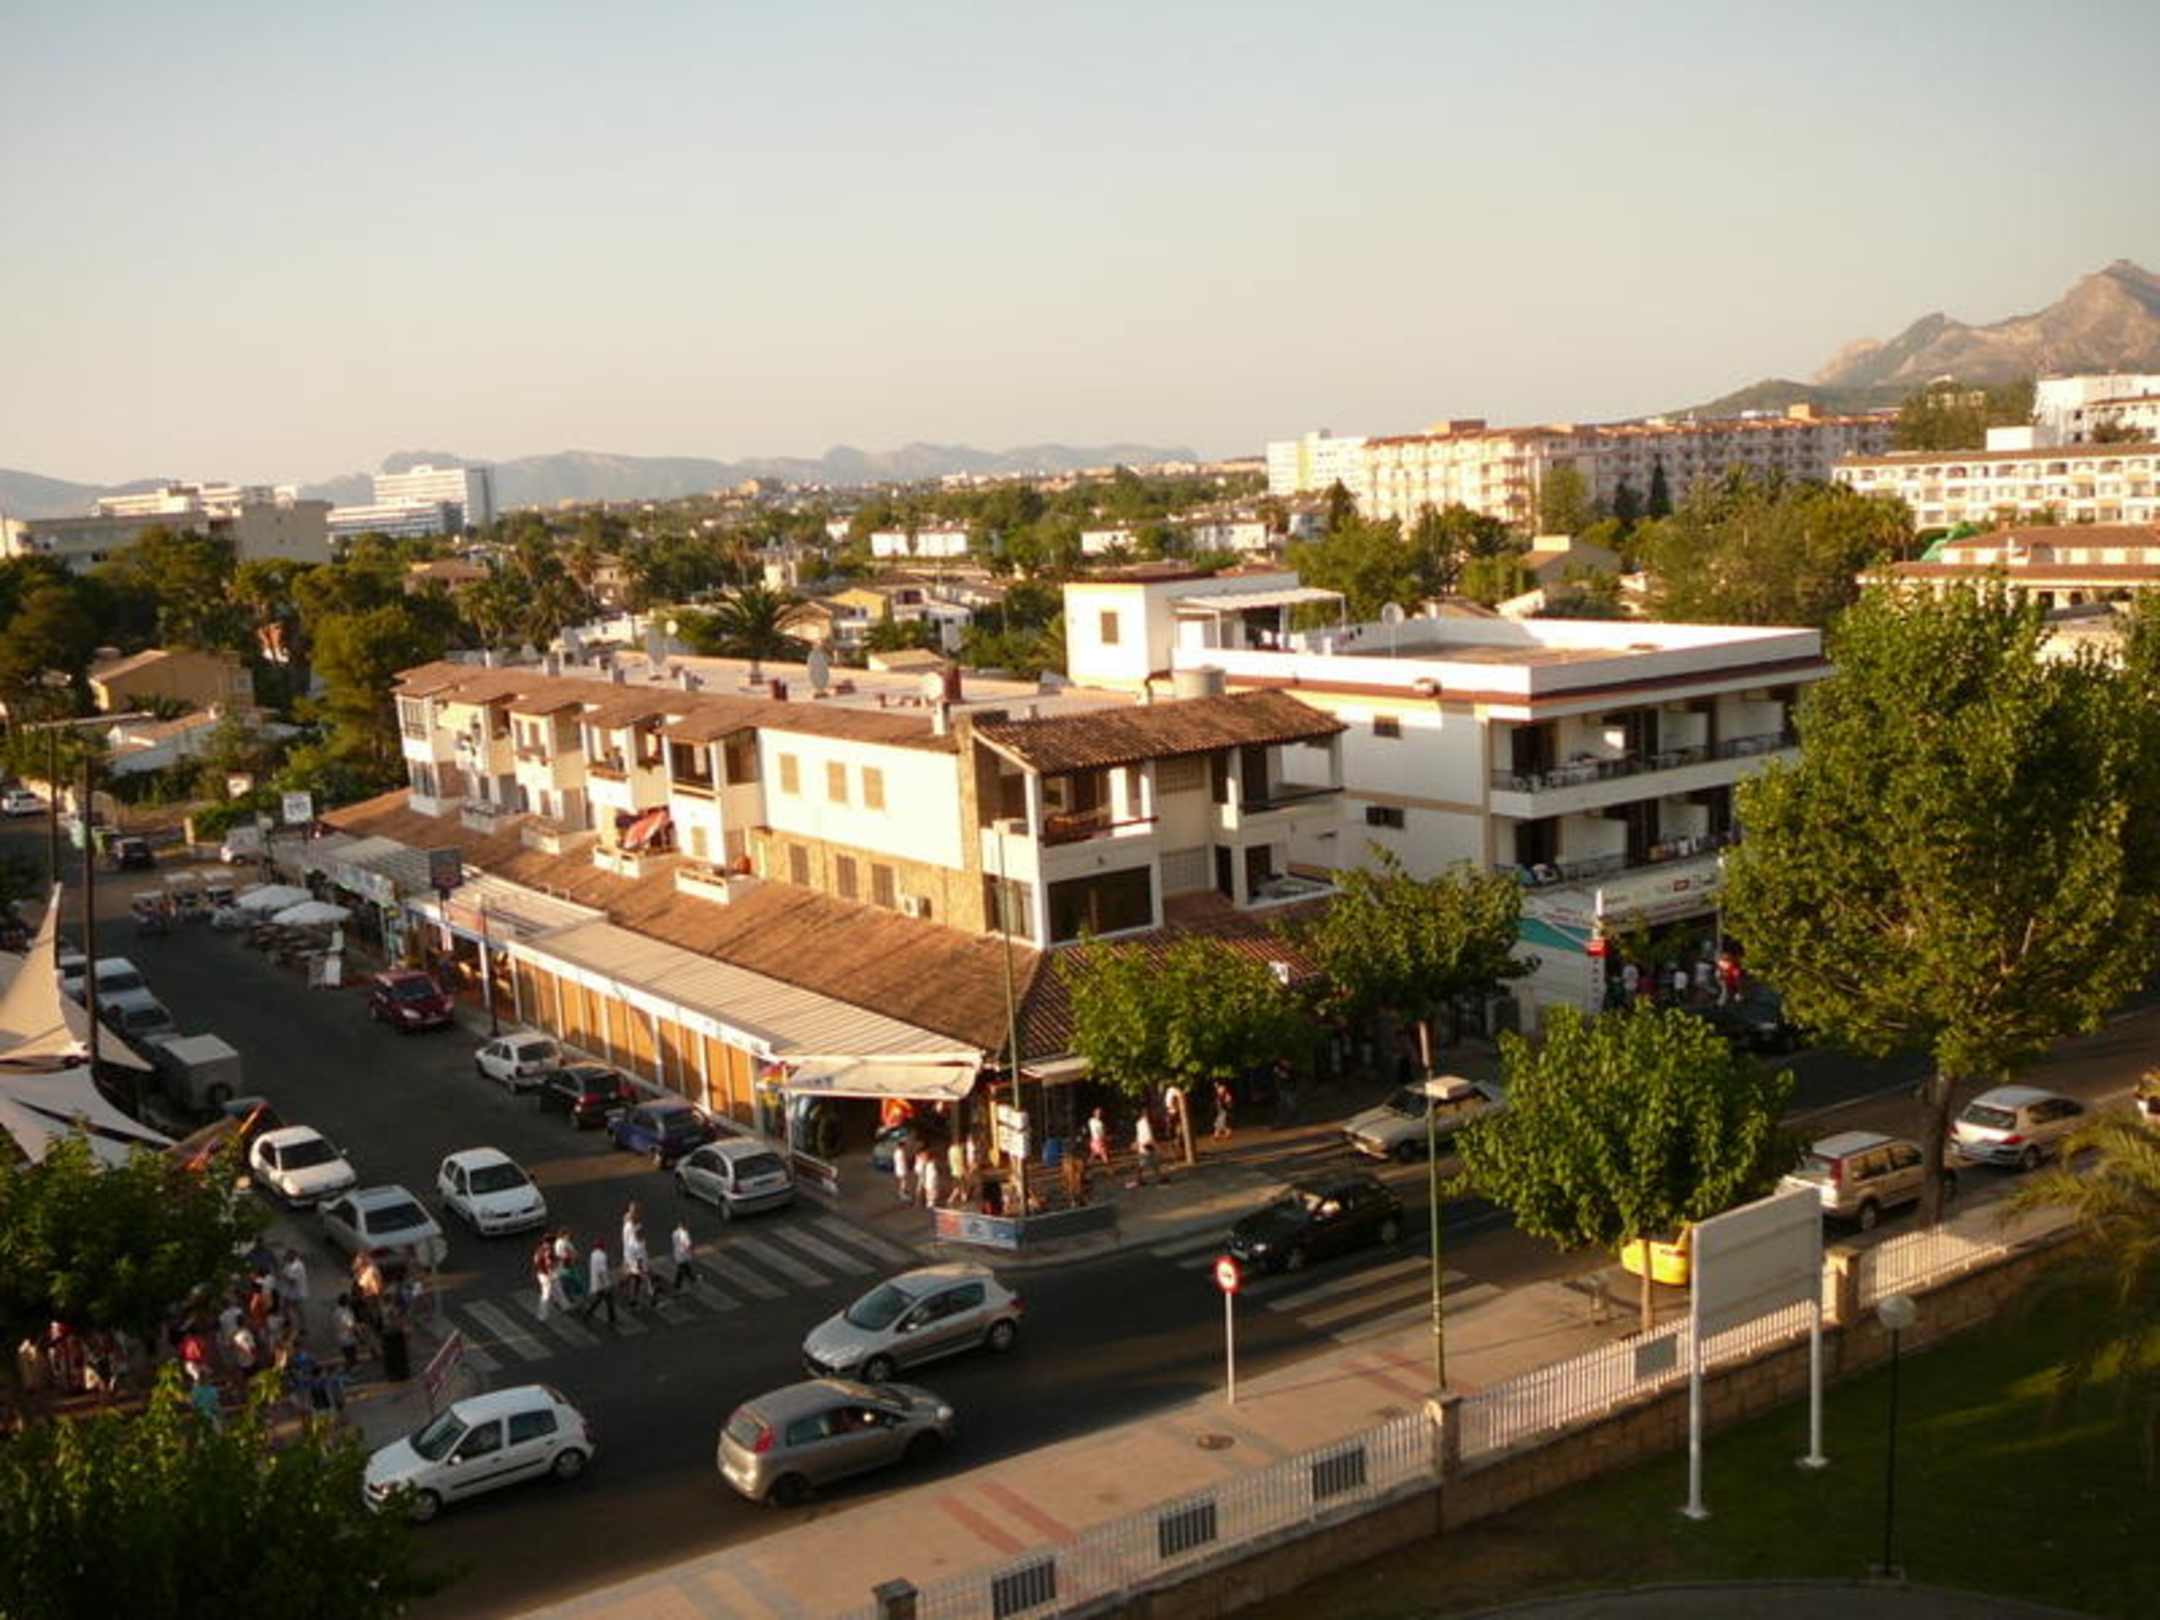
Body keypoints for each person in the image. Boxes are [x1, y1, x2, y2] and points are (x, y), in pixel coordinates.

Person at [581, 1240, 617, 1328]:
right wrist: (606, 1284)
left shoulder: (593, 1254)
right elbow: (602, 1271)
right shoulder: (602, 1256)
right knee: (608, 1299)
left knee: (600, 1299)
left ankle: (588, 1313)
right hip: (602, 1282)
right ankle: (611, 1318)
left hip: (595, 1281)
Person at [621, 1214, 653, 1308]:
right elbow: (640, 1258)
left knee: (635, 1282)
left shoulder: (635, 1241)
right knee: (645, 1283)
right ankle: (650, 1299)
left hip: (633, 1266)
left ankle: (632, 1299)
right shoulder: (638, 1245)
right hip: (638, 1267)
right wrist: (642, 1269)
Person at [534, 1235, 560, 1319]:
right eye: (553, 1243)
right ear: (549, 1243)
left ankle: (559, 1302)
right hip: (546, 1275)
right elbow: (548, 1263)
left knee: (557, 1287)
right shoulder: (547, 1251)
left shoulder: (539, 1249)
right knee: (546, 1295)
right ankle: (542, 1315)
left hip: (541, 1273)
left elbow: (536, 1261)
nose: (554, 1244)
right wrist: (550, 1272)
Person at [672, 1218, 697, 1294]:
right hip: (684, 1254)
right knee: (681, 1270)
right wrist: (692, 1251)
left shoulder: (675, 1232)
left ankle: (692, 1279)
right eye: (687, 1224)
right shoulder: (684, 1234)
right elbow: (687, 1245)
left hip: (677, 1253)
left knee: (684, 1268)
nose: (688, 1225)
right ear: (684, 1225)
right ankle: (677, 1286)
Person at [1133, 1109, 1158, 1186]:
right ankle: (1139, 1179)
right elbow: (1148, 1135)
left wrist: (1137, 1143)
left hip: (1144, 1145)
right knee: (1144, 1163)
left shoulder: (1139, 1123)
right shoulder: (1145, 1123)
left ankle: (1160, 1177)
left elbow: (1139, 1135)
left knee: (1152, 1162)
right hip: (1147, 1145)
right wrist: (1152, 1143)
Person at [892, 1137, 914, 1203]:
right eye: (905, 1145)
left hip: (897, 1168)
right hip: (902, 1169)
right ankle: (902, 1193)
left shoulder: (896, 1152)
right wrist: (908, 1167)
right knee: (904, 1182)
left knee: (901, 1181)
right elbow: (905, 1161)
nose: (905, 1146)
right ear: (902, 1145)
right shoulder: (902, 1152)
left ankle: (901, 1192)